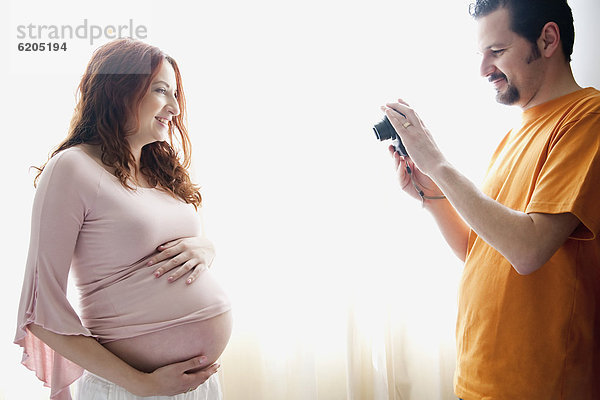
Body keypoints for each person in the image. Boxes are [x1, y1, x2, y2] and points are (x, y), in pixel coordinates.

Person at [380, 0, 600, 399]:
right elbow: (482, 250)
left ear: (548, 39)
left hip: (541, 387)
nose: (483, 69)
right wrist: (432, 197)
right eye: (481, 54)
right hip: (478, 380)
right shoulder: (515, 134)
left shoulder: (588, 118)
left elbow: (527, 250)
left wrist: (439, 163)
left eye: (496, 52)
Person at [14, 38, 233, 400]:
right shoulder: (72, 168)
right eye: (162, 90)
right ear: (119, 91)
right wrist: (142, 383)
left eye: (177, 93)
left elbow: (166, 251)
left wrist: (206, 249)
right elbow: (40, 311)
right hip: (130, 389)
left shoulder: (161, 172)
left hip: (198, 386)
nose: (175, 107)